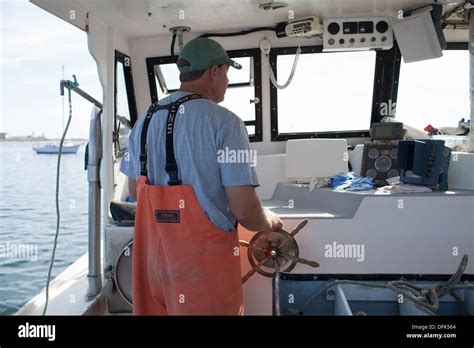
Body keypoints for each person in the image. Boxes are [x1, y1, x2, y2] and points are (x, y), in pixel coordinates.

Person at [120, 37, 282, 315]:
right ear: (214, 72)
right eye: (227, 74)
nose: (227, 82)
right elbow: (244, 209)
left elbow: (136, 192)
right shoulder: (227, 123)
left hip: (154, 267)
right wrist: (268, 221)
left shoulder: (143, 120)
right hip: (202, 272)